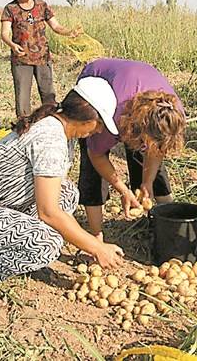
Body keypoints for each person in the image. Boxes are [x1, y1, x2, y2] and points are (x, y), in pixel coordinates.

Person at [0, 78, 126, 310]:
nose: (99, 131)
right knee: (47, 243)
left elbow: (52, 198)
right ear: (88, 117)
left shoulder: (60, 128)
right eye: (99, 124)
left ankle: (23, 252)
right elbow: (48, 212)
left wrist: (91, 242)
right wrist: (96, 247)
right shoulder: (50, 139)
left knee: (67, 193)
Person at [77, 58, 186, 239]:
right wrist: (123, 190)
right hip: (96, 79)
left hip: (134, 82)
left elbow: (157, 150)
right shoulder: (114, 113)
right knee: (93, 172)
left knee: (145, 154)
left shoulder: (173, 114)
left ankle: (164, 218)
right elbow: (96, 155)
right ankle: (96, 237)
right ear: (140, 127)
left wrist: (147, 182)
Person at [1, 0, 81, 118]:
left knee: (48, 94)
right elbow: (4, 33)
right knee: (22, 96)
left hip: (43, 58)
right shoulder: (10, 9)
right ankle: (24, 127)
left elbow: (56, 26)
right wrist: (12, 45)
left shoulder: (42, 6)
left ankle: (50, 123)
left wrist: (70, 32)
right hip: (22, 59)